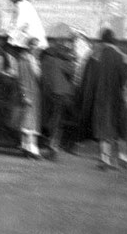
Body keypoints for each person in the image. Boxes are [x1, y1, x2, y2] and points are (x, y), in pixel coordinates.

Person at [78, 28, 127, 170]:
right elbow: (125, 81)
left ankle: (105, 159)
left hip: (100, 98)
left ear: (102, 40)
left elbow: (87, 79)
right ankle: (123, 156)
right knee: (121, 127)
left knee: (104, 128)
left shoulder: (95, 56)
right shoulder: (121, 56)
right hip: (118, 98)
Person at [4, 0, 47, 159]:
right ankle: (30, 147)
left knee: (27, 113)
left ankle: (27, 146)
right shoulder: (27, 59)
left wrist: (12, 36)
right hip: (29, 91)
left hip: (27, 91)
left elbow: (20, 25)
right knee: (30, 114)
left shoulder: (22, 7)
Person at [40, 26, 78, 160]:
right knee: (58, 122)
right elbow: (72, 74)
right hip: (62, 94)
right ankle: (53, 148)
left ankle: (51, 146)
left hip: (47, 92)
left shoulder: (46, 57)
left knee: (50, 120)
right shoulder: (64, 60)